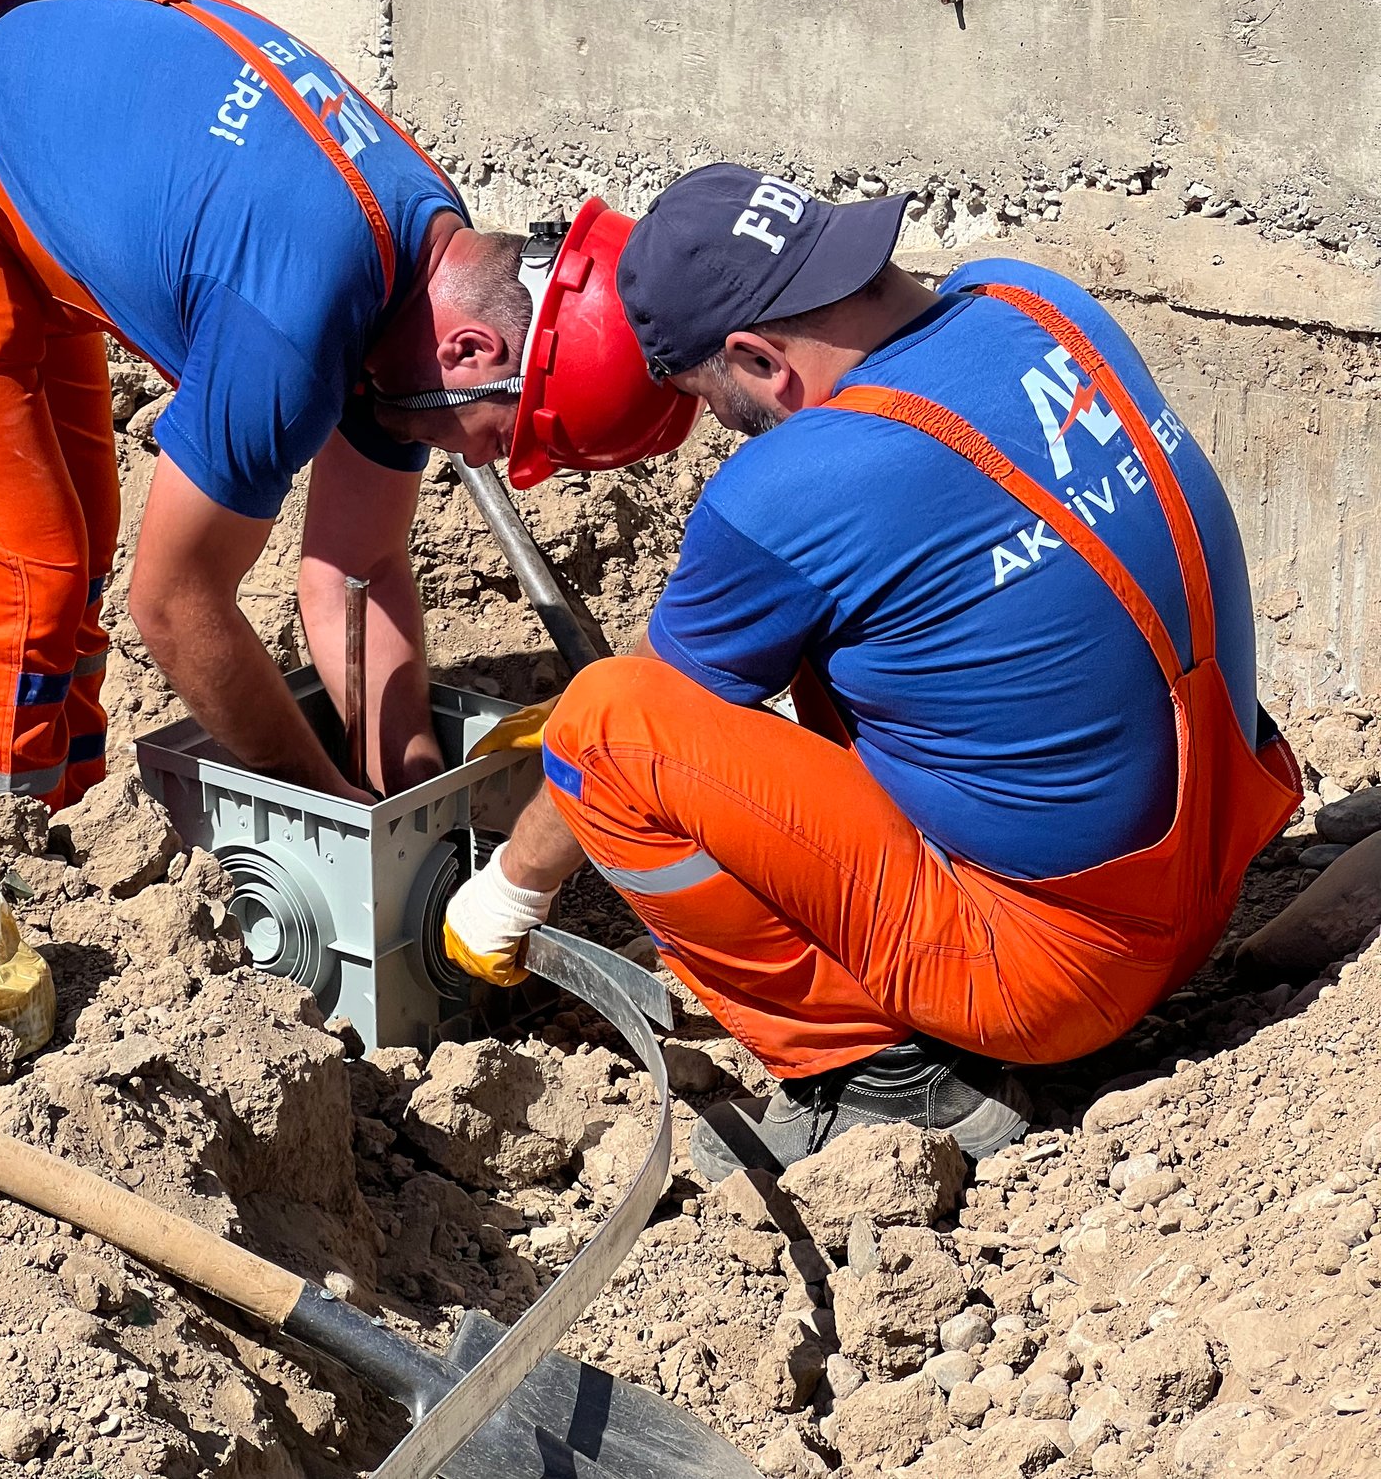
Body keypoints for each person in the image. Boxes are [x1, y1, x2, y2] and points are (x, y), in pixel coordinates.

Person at [442, 163, 1302, 1177]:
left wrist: (507, 890)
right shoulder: (1036, 300)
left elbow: (635, 723)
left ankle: (876, 1078)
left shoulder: (796, 485)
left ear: (758, 359)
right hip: (1214, 865)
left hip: (1058, 981)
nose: (730, 433)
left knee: (601, 728)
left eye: (719, 406)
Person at [0, 0, 688, 811]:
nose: (486, 459)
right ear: (473, 349)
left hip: (26, 132)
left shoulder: (427, 265)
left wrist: (409, 788)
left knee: (82, 544)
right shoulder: (295, 319)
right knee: (27, 577)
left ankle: (73, 807)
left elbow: (358, 568)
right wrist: (325, 797)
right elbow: (175, 605)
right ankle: (6, 854)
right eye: (505, 434)